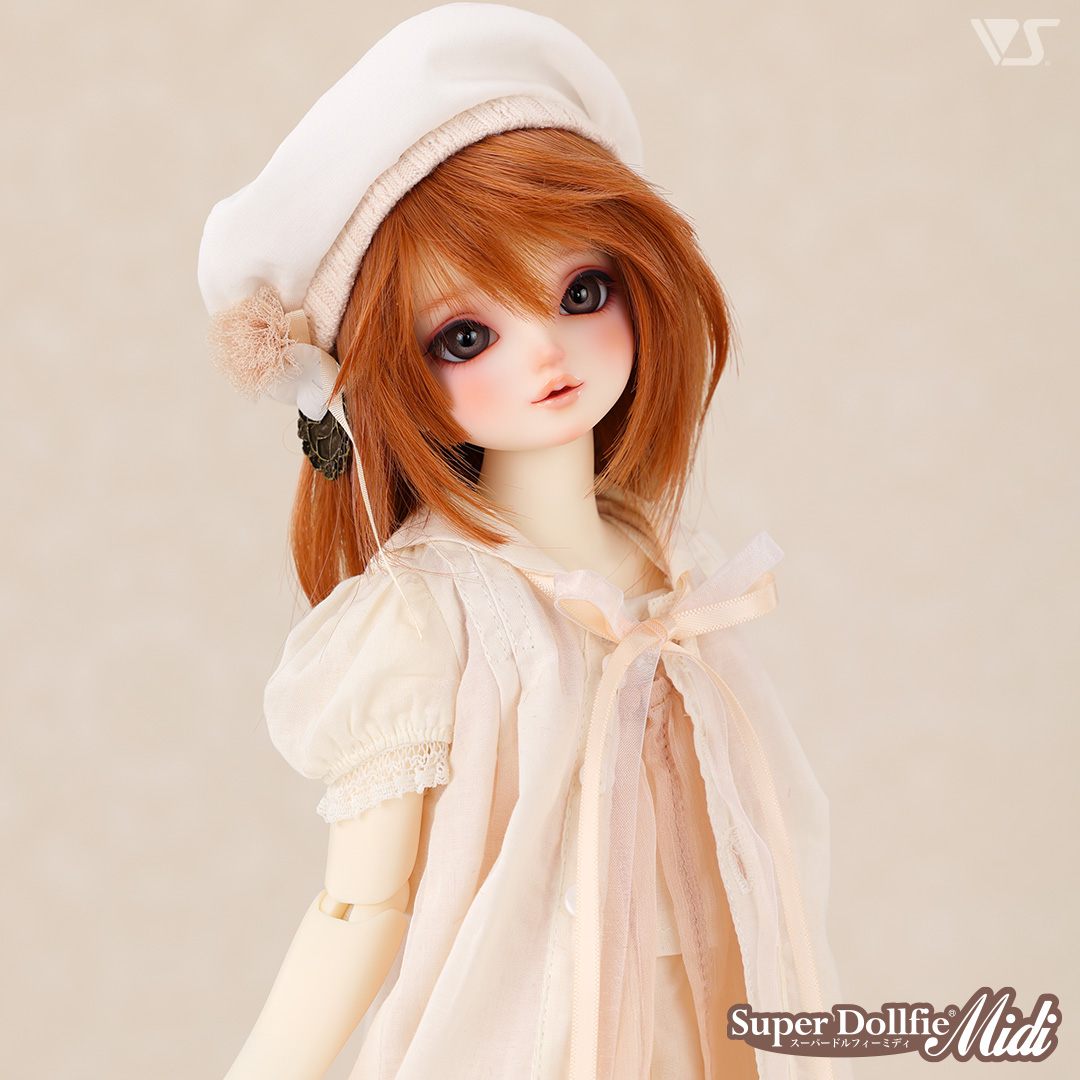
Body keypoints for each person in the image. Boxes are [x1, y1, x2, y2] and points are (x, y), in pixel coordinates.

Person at [198, 6, 847, 1079]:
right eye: (468, 335)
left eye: (582, 292)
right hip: (531, 1039)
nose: (547, 350)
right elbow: (360, 904)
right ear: (387, 374)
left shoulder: (674, 571)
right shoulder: (429, 614)